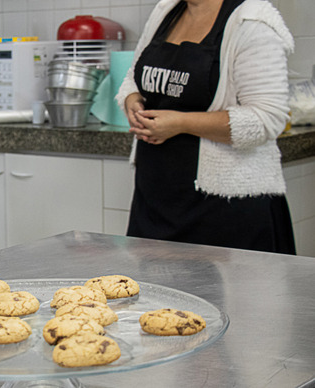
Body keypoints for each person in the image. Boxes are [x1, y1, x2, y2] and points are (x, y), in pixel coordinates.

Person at [115, 0, 296, 254]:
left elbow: (267, 119)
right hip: (156, 202)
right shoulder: (165, 11)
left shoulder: (252, 20)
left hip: (224, 210)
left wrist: (181, 123)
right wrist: (132, 100)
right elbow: (134, 78)